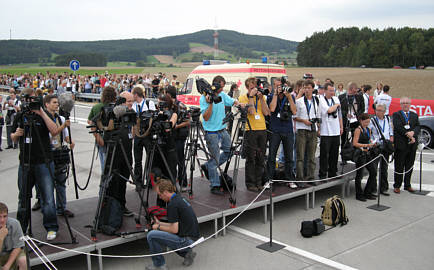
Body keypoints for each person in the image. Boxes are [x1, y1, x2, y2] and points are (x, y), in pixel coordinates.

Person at [11, 88, 59, 240]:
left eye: (34, 99)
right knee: (23, 197)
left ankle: (51, 227)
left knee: (48, 197)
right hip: (25, 162)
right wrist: (15, 135)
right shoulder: (20, 115)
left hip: (43, 162)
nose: (31, 103)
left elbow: (55, 131)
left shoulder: (43, 115)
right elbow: (13, 137)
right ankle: (22, 229)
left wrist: (42, 113)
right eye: (29, 99)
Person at [146, 179, 200, 270]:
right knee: (165, 234)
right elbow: (175, 225)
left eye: (159, 194)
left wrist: (158, 227)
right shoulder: (180, 199)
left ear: (166, 192)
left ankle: (159, 265)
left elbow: (174, 229)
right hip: (193, 237)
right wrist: (160, 223)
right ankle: (187, 253)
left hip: (186, 240)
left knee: (151, 235)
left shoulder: (172, 205)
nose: (159, 197)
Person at [200, 75, 240, 195]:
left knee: (229, 151)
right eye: (221, 87)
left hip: (223, 130)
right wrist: (211, 103)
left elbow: (232, 101)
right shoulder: (204, 98)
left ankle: (208, 166)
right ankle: (215, 185)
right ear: (215, 85)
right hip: (211, 132)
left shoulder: (222, 95)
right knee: (215, 159)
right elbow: (206, 117)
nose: (222, 89)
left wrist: (240, 104)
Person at [43, 95, 75, 217]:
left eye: (57, 102)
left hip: (59, 153)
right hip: (48, 154)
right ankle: (48, 209)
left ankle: (62, 207)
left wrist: (70, 141)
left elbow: (65, 136)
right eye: (54, 102)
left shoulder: (61, 118)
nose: (57, 105)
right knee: (47, 184)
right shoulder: (43, 119)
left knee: (61, 182)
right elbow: (51, 134)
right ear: (47, 104)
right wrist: (63, 126)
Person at [238, 77, 270, 192]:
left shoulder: (262, 97)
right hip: (250, 129)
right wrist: (251, 96)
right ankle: (250, 183)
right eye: (252, 87)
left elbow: (266, 113)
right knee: (251, 157)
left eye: (255, 87)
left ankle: (259, 182)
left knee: (261, 157)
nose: (254, 90)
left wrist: (261, 99)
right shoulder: (243, 97)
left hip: (262, 129)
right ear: (247, 87)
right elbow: (251, 111)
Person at [266, 77, 296, 187]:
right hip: (275, 130)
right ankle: (269, 179)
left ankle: (289, 179)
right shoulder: (270, 96)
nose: (279, 88)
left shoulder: (290, 96)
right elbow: (272, 109)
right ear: (274, 86)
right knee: (272, 156)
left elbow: (294, 111)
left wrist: (289, 97)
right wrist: (275, 94)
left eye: (280, 86)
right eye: (276, 86)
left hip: (288, 130)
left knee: (289, 156)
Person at [295, 80, 320, 187]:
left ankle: (310, 177)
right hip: (302, 130)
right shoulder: (299, 101)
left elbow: (319, 114)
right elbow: (294, 117)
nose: (306, 90)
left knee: (311, 156)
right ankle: (300, 178)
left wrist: (319, 126)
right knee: (300, 156)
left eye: (309, 88)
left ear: (313, 89)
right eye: (305, 88)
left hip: (313, 130)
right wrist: (304, 121)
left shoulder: (317, 100)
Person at [392, 97, 420, 194]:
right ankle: (397, 185)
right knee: (399, 165)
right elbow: (398, 126)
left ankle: (407, 184)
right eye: (403, 103)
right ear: (400, 104)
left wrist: (413, 132)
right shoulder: (396, 115)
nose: (405, 104)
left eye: (407, 103)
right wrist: (409, 134)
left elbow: (417, 126)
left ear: (410, 104)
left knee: (409, 165)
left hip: (412, 145)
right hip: (401, 144)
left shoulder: (414, 115)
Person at [318, 82, 343, 180]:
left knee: (334, 153)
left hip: (336, 130)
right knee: (324, 154)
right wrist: (336, 105)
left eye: (333, 90)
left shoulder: (336, 99)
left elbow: (339, 114)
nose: (332, 92)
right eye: (330, 90)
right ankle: (323, 174)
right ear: (325, 91)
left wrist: (341, 126)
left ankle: (333, 172)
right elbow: (328, 110)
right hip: (325, 131)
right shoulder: (321, 100)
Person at [131, 86, 156, 183]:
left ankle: (149, 181)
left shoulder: (149, 103)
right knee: (137, 160)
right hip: (137, 135)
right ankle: (138, 181)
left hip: (147, 135)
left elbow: (153, 118)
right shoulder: (133, 105)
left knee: (150, 158)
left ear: (136, 95)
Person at [167, 86, 190, 188]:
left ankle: (183, 181)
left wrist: (176, 126)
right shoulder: (168, 105)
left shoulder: (180, 105)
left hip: (179, 136)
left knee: (180, 160)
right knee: (172, 160)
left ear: (168, 94)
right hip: (172, 137)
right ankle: (174, 180)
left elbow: (188, 121)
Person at [352, 113, 377, 201]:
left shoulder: (368, 129)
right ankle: (359, 194)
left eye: (368, 122)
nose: (367, 124)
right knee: (359, 175)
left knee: (373, 172)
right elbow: (355, 143)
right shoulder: (358, 130)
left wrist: (372, 143)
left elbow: (369, 139)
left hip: (367, 153)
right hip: (360, 154)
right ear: (361, 121)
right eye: (365, 122)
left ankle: (367, 192)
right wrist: (366, 144)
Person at [369, 104, 393, 196]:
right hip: (377, 146)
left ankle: (384, 188)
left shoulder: (387, 119)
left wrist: (391, 137)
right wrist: (372, 141)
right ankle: (373, 188)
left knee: (384, 168)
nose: (378, 112)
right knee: (374, 168)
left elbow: (390, 130)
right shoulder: (372, 120)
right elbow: (369, 132)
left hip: (386, 146)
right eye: (377, 110)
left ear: (384, 111)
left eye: (380, 110)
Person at [339, 82, 365, 154]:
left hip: (356, 121)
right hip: (345, 121)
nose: (356, 90)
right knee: (344, 139)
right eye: (355, 89)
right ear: (351, 89)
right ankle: (344, 155)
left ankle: (354, 154)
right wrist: (346, 114)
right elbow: (339, 109)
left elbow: (362, 108)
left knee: (356, 138)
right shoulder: (341, 97)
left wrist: (357, 114)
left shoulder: (359, 97)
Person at [0, 202, 27, 270]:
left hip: (12, 252)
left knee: (23, 260)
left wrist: (7, 266)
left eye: (5, 216)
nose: (2, 220)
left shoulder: (14, 223)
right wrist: (1, 237)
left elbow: (18, 247)